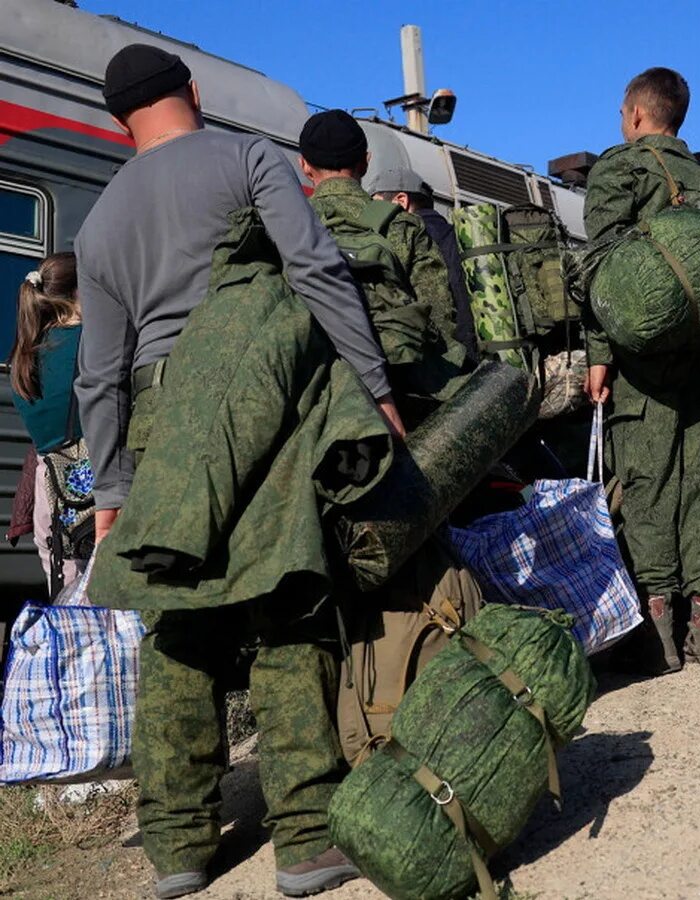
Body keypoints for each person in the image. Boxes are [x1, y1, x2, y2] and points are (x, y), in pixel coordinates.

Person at [75, 45, 401, 897]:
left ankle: (179, 846)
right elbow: (317, 270)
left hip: (153, 423)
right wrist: (375, 388)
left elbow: (98, 373)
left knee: (179, 627)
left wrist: (111, 488)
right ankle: (302, 840)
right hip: (255, 402)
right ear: (192, 92)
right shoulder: (249, 158)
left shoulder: (101, 222)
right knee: (286, 601)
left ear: (119, 121)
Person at [584, 67, 700, 672]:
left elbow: (602, 273)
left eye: (623, 113)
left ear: (639, 116)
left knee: (648, 483)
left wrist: (599, 357)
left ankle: (660, 635)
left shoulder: (618, 169)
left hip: (645, 359)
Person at [296, 113, 463, 364]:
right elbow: (439, 318)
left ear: (304, 165)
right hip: (398, 385)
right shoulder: (404, 227)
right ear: (365, 162)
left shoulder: (287, 226)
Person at [7, 252, 88, 592]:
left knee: (67, 602)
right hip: (91, 490)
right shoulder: (89, 344)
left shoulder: (25, 356)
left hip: (50, 495)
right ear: (78, 293)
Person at [364, 165, 478, 361]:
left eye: (377, 204)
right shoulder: (462, 239)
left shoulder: (408, 240)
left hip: (437, 364)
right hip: (475, 358)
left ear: (401, 201)